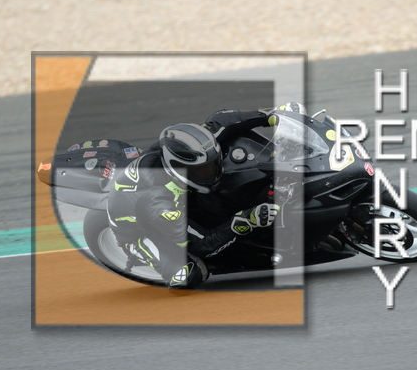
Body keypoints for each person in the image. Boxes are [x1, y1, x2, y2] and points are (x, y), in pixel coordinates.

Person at [106, 106, 304, 288]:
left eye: (213, 164)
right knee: (189, 276)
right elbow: (203, 245)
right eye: (203, 171)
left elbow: (222, 120)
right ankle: (138, 251)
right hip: (141, 228)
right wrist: (247, 220)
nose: (213, 172)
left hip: (167, 195)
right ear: (178, 170)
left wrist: (272, 115)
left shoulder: (192, 146)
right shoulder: (159, 205)